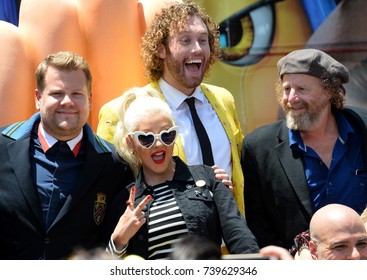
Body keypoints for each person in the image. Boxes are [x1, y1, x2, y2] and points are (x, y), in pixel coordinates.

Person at [96, 1, 245, 214]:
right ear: (161, 49)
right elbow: (111, 191)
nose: (197, 49)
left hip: (230, 242)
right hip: (169, 242)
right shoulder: (123, 111)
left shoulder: (224, 100)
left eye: (203, 40)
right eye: (185, 40)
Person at [0, 51, 134, 259]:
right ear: (38, 98)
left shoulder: (114, 164)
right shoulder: (2, 147)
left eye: (77, 94)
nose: (67, 102)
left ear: (89, 100)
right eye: (57, 93)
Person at [107, 87, 259, 259]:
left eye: (167, 135)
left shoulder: (209, 178)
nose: (158, 144)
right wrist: (118, 240)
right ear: (130, 143)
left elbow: (240, 237)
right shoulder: (125, 202)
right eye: (146, 138)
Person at [241, 48, 367, 249]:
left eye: (301, 89)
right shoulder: (259, 147)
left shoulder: (362, 128)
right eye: (286, 89)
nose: (291, 98)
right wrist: (290, 259)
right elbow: (258, 220)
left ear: (329, 92)